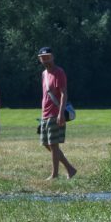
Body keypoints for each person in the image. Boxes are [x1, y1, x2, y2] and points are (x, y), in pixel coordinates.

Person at [37, 47, 77, 180]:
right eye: (43, 58)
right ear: (40, 59)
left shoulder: (59, 72)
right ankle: (70, 169)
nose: (46, 60)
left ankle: (54, 174)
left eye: (48, 57)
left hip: (55, 113)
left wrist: (61, 113)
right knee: (46, 143)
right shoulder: (44, 74)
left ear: (53, 57)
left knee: (54, 144)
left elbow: (63, 93)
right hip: (45, 114)